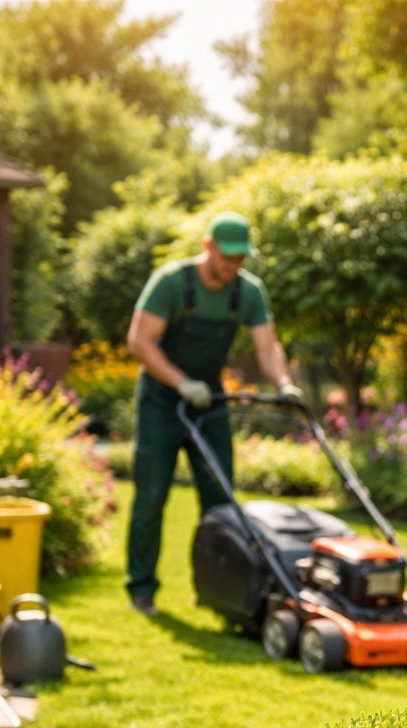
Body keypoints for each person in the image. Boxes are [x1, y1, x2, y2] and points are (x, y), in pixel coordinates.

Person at [124, 211, 304, 616]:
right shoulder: (172, 282)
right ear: (208, 247)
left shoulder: (248, 292)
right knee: (151, 496)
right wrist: (181, 383)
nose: (233, 266)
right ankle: (141, 590)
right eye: (227, 257)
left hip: (210, 403)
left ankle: (218, 590)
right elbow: (140, 342)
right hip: (161, 401)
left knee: (221, 501)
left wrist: (283, 383)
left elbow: (267, 346)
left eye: (240, 259)